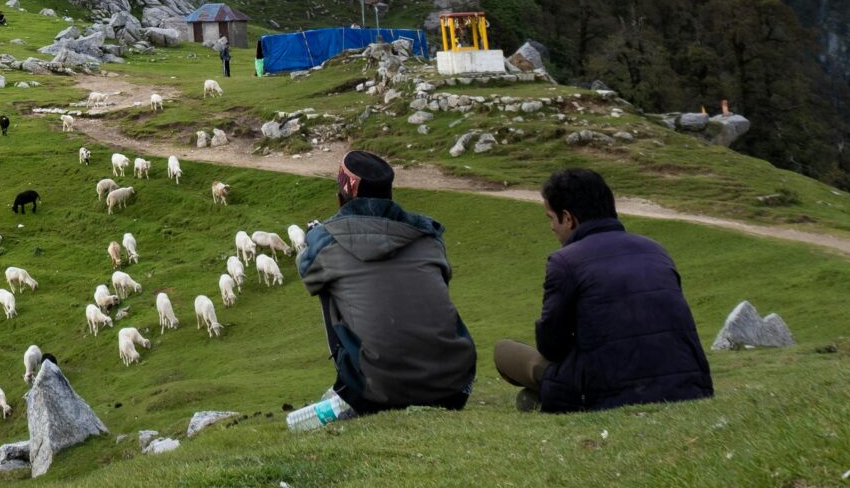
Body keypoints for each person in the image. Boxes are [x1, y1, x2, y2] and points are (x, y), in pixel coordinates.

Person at [493, 166, 712, 412]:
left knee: (505, 352)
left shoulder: (565, 261)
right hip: (690, 387)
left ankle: (542, 397)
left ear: (568, 218)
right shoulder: (656, 250)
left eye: (551, 218)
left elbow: (552, 346)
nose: (552, 227)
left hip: (610, 392)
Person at [297, 150, 475, 415]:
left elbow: (307, 273)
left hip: (378, 393)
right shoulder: (428, 235)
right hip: (455, 386)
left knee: (326, 284)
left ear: (340, 198)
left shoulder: (327, 242)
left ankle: (351, 385)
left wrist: (315, 236)